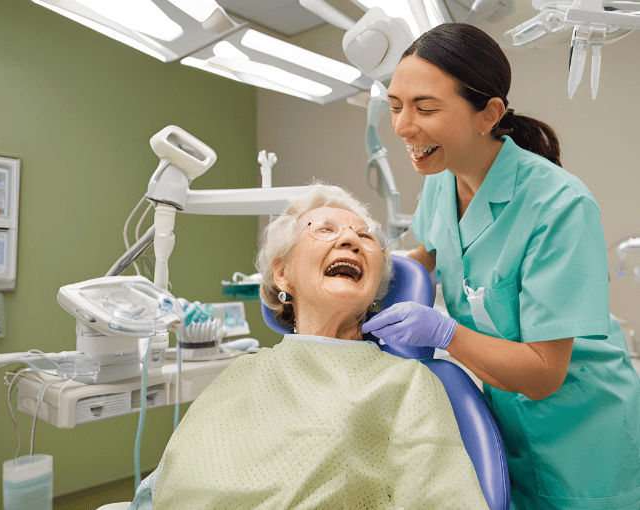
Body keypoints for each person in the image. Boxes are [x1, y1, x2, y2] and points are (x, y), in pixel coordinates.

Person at [362, 22, 640, 509]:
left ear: (487, 113)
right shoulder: (442, 181)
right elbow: (420, 260)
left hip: (584, 438)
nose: (403, 126)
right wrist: (349, 270)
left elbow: (543, 374)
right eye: (395, 107)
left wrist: (444, 333)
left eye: (425, 107)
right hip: (506, 425)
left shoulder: (559, 205)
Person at [130, 184, 489, 509]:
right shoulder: (243, 371)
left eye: (364, 236)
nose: (350, 240)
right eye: (325, 230)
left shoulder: (407, 383)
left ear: (377, 285)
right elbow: (167, 484)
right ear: (282, 273)